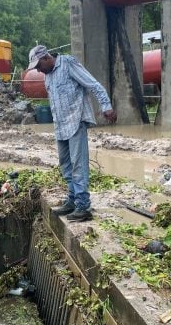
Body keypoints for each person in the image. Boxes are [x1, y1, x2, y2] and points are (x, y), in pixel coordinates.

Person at [28, 45, 117, 222]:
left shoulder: (68, 63)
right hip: (60, 125)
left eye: (39, 66)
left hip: (76, 121)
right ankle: (73, 199)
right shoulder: (48, 76)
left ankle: (83, 206)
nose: (38, 70)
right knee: (65, 164)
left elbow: (93, 84)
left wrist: (106, 106)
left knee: (78, 164)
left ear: (46, 58)